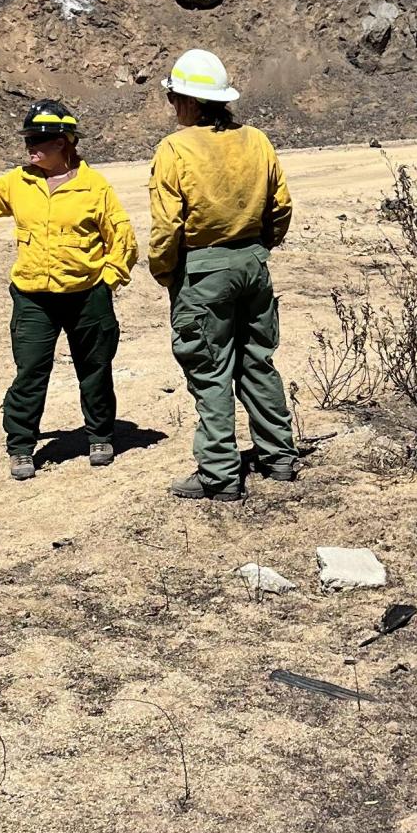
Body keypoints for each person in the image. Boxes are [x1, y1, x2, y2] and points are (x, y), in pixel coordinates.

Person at [0, 100, 137, 481]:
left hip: (87, 295)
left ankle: (100, 436)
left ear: (66, 142)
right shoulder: (20, 181)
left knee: (94, 369)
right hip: (33, 296)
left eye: (41, 139)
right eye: (29, 138)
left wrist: (108, 280)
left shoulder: (93, 186)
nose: (31, 145)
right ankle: (20, 446)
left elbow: (123, 238)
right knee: (30, 371)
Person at [148, 47, 297, 503]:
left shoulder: (175, 149)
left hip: (203, 272)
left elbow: (167, 226)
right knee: (257, 361)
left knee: (211, 372)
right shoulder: (257, 140)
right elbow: (281, 207)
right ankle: (279, 456)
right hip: (253, 265)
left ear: (190, 103)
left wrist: (166, 272)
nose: (173, 107)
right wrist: (258, 248)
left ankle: (219, 475)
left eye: (175, 99)